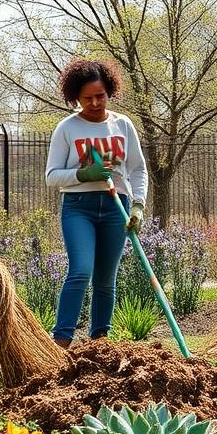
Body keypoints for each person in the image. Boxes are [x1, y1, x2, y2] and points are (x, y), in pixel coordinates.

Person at [45, 58, 148, 348]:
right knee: (80, 270)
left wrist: (138, 205)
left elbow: (138, 169)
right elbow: (52, 176)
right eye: (86, 98)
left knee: (106, 279)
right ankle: (60, 342)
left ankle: (100, 343)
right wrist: (83, 174)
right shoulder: (67, 129)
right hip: (79, 206)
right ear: (75, 97)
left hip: (118, 205)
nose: (94, 102)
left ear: (109, 91)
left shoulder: (123, 125)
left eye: (100, 96)